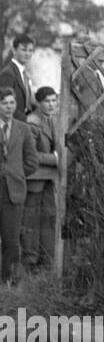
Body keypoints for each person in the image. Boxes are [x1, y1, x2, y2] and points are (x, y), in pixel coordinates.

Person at [0, 86, 38, 282]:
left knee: (11, 240)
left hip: (13, 191)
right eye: (4, 103)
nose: (9, 107)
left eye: (12, 103)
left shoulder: (23, 129)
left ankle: (7, 282)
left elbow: (32, 161)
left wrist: (17, 174)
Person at [21, 87, 59, 272]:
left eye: (54, 100)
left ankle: (46, 260)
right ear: (38, 102)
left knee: (48, 218)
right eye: (47, 101)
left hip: (49, 179)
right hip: (35, 178)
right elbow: (30, 154)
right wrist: (56, 159)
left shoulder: (53, 120)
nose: (51, 105)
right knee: (31, 220)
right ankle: (29, 261)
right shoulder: (32, 123)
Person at [0, 35, 35, 118]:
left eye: (30, 50)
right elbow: (5, 106)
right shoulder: (8, 73)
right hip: (15, 124)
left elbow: (28, 104)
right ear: (14, 50)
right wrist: (27, 120)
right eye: (24, 50)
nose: (27, 54)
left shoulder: (25, 73)